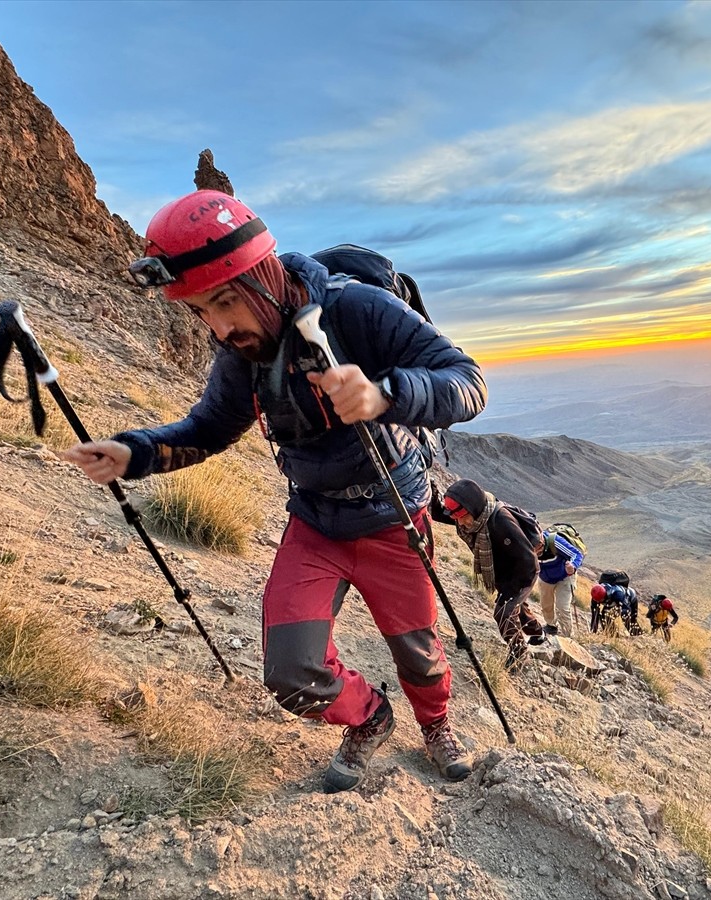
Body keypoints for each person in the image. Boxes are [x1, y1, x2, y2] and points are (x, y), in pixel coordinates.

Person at [60, 190, 487, 794]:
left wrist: (384, 393)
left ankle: (436, 724)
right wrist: (137, 453)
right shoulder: (245, 354)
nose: (219, 326)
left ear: (263, 276)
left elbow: (467, 382)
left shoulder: (359, 311)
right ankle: (370, 718)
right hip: (315, 523)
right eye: (202, 310)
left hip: (393, 515)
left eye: (225, 302)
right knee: (292, 672)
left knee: (418, 652)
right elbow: (209, 428)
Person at [432, 478, 545, 669]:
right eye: (457, 518)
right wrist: (432, 491)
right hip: (502, 571)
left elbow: (528, 561)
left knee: (504, 612)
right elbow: (439, 514)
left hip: (522, 572)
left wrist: (510, 589)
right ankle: (537, 633)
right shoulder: (470, 516)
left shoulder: (501, 521)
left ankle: (519, 653)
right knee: (516, 607)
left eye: (462, 517)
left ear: (473, 509)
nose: (459, 522)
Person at [535, 528, 584, 637]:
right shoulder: (525, 545)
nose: (536, 553)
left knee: (562, 607)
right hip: (545, 579)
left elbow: (577, 554)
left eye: (538, 549)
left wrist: (573, 566)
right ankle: (551, 625)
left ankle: (568, 635)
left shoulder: (555, 541)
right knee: (546, 605)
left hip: (565, 577)